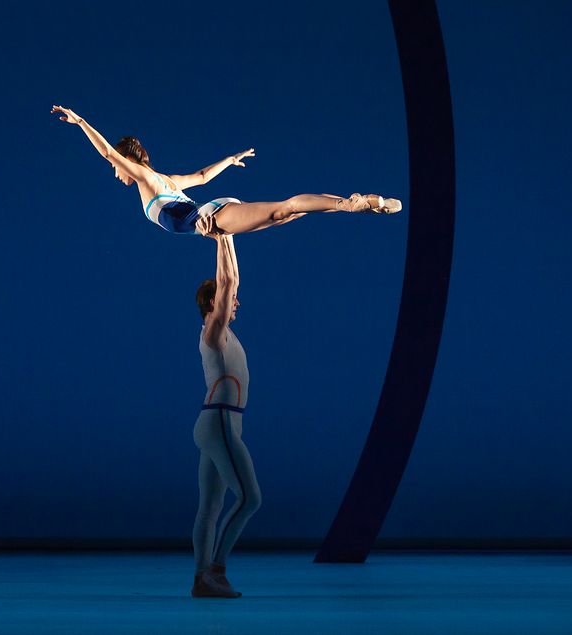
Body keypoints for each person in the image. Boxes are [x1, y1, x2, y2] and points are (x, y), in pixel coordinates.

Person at [51, 105, 401, 236]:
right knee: (286, 216)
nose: (116, 174)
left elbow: (108, 153)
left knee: (286, 208)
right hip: (213, 212)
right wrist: (228, 161)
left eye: (118, 167)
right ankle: (353, 203)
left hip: (212, 217)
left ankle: (352, 203)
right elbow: (202, 177)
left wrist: (80, 121)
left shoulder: (145, 178)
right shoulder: (167, 181)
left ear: (130, 162)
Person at [190, 232, 259, 598]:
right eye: (230, 300)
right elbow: (229, 281)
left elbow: (231, 282)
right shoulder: (213, 332)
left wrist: (226, 239)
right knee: (251, 498)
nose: (237, 303)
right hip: (219, 422)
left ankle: (202, 578)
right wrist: (223, 234)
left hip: (217, 421)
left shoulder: (223, 333)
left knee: (211, 506)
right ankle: (215, 571)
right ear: (215, 303)